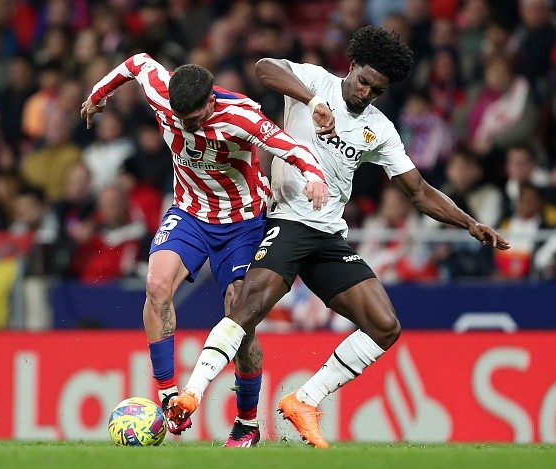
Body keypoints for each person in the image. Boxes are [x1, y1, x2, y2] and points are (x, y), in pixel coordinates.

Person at [167, 26, 510, 448]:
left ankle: (305, 399)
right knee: (246, 310)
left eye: (377, 90)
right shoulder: (316, 82)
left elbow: (418, 191)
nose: (366, 93)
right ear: (351, 67)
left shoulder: (380, 131)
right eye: (364, 81)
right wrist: (313, 101)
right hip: (286, 222)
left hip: (328, 236)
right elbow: (264, 67)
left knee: (385, 326)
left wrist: (469, 222)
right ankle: (192, 394)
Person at [80, 53, 328, 446]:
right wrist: (98, 94)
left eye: (194, 120)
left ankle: (247, 423)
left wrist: (313, 176)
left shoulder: (242, 115)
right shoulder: (165, 95)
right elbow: (138, 63)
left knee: (238, 315)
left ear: (211, 102)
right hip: (190, 213)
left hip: (243, 223)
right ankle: (166, 397)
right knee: (157, 284)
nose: (187, 127)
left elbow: (288, 146)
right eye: (181, 120)